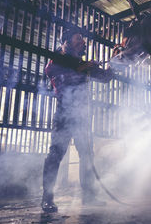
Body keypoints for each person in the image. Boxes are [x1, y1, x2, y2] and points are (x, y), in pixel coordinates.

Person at [41, 27, 114, 213]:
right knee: (55, 155)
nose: (83, 42)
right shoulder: (56, 60)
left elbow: (105, 78)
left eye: (82, 39)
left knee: (87, 154)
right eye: (78, 38)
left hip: (81, 115)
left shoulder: (82, 63)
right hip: (64, 114)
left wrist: (115, 62)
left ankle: (89, 195)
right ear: (65, 42)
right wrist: (81, 67)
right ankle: (47, 198)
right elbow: (52, 73)